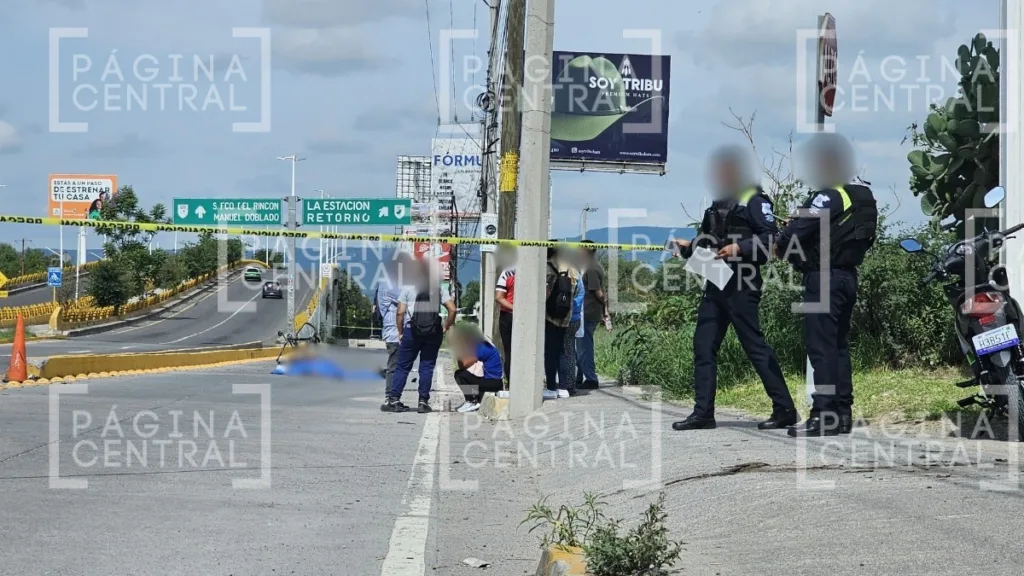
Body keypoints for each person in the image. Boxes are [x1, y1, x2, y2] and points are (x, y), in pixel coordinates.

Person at [671, 145, 798, 432]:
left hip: (743, 281)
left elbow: (772, 241)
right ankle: (703, 413)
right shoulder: (716, 203)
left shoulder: (754, 199)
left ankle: (785, 409)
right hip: (715, 280)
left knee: (754, 346)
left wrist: (740, 247)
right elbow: (710, 242)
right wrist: (689, 247)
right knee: (703, 346)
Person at [777, 133, 877, 437]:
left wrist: (784, 234)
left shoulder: (827, 194)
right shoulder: (857, 195)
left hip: (823, 279)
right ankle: (842, 413)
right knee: (838, 347)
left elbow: (792, 237)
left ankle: (822, 415)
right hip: (846, 277)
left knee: (821, 349)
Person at [383, 258, 457, 413]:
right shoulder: (437, 289)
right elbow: (452, 309)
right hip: (433, 332)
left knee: (403, 367)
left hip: (412, 331)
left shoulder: (408, 287)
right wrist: (446, 326)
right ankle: (423, 402)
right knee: (427, 367)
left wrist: (401, 332)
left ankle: (394, 399)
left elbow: (400, 312)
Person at [544, 243, 582, 400]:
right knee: (562, 352)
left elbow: (545, 294)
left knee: (550, 353)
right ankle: (564, 388)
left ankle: (552, 387)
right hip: (566, 316)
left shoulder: (550, 268)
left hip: (550, 316)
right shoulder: (573, 271)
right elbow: (576, 295)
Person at [449, 324, 504, 412]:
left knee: (460, 375)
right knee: (462, 374)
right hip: (493, 382)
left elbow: (464, 365)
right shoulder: (483, 345)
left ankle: (472, 401)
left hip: (493, 383)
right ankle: (474, 399)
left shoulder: (481, 348)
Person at [374, 255, 406, 400]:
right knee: (394, 367)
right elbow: (407, 298)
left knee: (398, 367)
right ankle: (391, 398)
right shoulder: (389, 286)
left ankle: (394, 398)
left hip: (395, 332)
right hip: (394, 333)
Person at [575, 240, 607, 389]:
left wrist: (605, 308)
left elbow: (598, 292)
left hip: (588, 312)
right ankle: (578, 376)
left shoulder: (591, 269)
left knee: (584, 348)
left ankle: (591, 378)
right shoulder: (595, 266)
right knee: (580, 347)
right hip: (588, 312)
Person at [558, 248, 586, 397]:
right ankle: (570, 384)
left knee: (559, 353)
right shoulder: (578, 277)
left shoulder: (560, 276)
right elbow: (580, 299)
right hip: (575, 319)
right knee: (569, 352)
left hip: (560, 319)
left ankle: (561, 383)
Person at [494, 247, 516, 383]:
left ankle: (511, 383)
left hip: (508, 315)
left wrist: (514, 308)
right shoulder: (533, 269)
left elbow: (499, 297)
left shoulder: (507, 272)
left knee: (509, 352)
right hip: (528, 317)